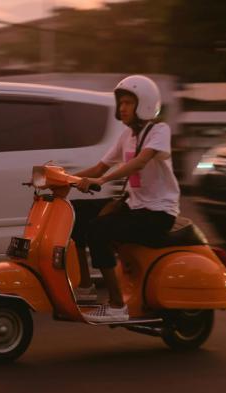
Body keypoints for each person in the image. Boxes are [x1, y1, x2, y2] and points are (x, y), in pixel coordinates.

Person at [71, 75, 181, 322]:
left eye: (128, 103)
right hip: (135, 206)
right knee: (75, 212)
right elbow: (99, 168)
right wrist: (62, 179)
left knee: (99, 231)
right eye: (121, 103)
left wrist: (102, 182)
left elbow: (140, 161)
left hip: (158, 214)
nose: (122, 108)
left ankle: (116, 305)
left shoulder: (159, 131)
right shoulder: (126, 136)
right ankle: (86, 287)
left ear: (145, 104)